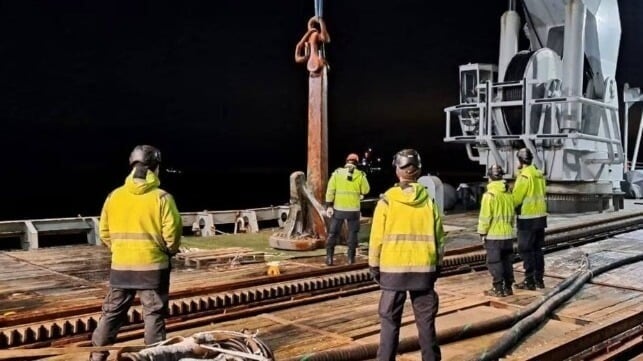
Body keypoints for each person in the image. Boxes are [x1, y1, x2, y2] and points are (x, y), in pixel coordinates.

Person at [90, 145, 182, 361]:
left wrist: (120, 249)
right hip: (152, 268)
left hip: (121, 267)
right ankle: (155, 357)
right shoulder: (162, 198)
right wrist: (167, 250)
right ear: (155, 168)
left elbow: (103, 230)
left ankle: (96, 357)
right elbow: (173, 233)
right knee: (153, 315)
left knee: (112, 314)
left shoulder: (114, 196)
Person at [368, 149, 444, 361]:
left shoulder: (386, 201)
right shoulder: (429, 202)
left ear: (397, 171)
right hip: (424, 272)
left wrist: (374, 266)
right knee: (426, 324)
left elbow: (376, 239)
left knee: (390, 324)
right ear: (418, 171)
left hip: (393, 273)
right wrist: (437, 265)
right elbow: (439, 238)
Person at [324, 153, 370, 265]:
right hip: (353, 211)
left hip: (338, 210)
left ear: (346, 161)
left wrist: (329, 205)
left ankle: (329, 258)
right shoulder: (360, 175)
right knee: (353, 234)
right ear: (357, 163)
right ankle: (350, 259)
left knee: (333, 233)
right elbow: (366, 190)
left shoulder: (337, 173)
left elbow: (330, 190)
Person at [512, 148, 548, 290]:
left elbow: (516, 199)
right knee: (537, 249)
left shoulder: (525, 176)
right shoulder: (539, 175)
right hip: (540, 217)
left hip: (527, 218)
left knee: (525, 250)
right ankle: (539, 280)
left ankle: (529, 281)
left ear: (520, 161)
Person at [478, 164, 515, 297]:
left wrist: (482, 232)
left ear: (489, 178)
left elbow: (485, 217)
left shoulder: (489, 195)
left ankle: (498, 288)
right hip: (507, 234)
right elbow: (512, 215)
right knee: (507, 261)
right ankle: (509, 287)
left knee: (495, 262)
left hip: (494, 235)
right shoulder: (508, 194)